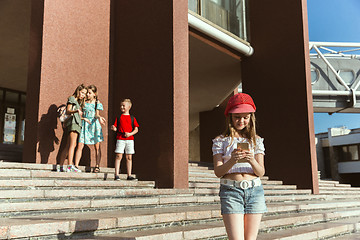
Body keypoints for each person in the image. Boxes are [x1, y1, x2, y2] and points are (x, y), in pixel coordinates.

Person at [212, 93, 266, 240]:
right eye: (237, 117)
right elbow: (218, 171)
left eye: (245, 117)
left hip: (254, 191)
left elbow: (261, 172)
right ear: (230, 117)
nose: (241, 121)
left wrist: (251, 160)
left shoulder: (257, 140)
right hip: (231, 191)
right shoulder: (220, 141)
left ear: (250, 118)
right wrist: (232, 161)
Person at [74, 85, 106, 173]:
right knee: (80, 145)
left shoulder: (97, 103)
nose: (87, 94)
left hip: (94, 125)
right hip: (85, 125)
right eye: (87, 92)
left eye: (89, 93)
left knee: (97, 146)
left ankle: (97, 166)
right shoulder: (83, 102)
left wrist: (99, 117)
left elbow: (96, 114)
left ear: (94, 94)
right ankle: (76, 165)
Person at [58, 84, 90, 172]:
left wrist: (84, 118)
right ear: (78, 90)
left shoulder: (79, 103)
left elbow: (76, 115)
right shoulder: (72, 98)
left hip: (77, 123)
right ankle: (69, 166)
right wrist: (77, 110)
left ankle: (60, 166)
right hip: (73, 124)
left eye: (85, 94)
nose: (83, 95)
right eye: (82, 92)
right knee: (73, 144)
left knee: (68, 145)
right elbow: (68, 111)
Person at [110, 99, 139, 180]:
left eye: (123, 105)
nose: (122, 107)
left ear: (129, 107)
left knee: (129, 157)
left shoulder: (132, 118)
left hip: (130, 140)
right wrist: (114, 128)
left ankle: (129, 175)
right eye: (121, 105)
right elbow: (115, 128)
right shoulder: (119, 117)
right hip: (120, 139)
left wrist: (130, 134)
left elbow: (136, 129)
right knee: (119, 156)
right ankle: (116, 175)